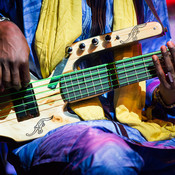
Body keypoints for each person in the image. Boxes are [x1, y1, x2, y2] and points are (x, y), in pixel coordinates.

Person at [0, 0, 175, 174]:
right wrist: (3, 27)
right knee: (109, 158)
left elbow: (152, 58)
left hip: (136, 129)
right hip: (48, 128)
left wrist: (167, 93)